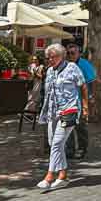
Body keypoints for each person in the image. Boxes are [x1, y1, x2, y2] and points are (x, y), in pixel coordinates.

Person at [37, 43, 87, 190]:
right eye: (48, 58)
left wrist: (85, 107)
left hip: (69, 111)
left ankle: (49, 176)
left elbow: (83, 86)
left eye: (52, 57)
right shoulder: (50, 71)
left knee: (57, 143)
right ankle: (63, 175)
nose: (50, 60)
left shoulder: (72, 68)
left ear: (61, 56)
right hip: (52, 113)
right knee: (54, 144)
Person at [65, 43, 95, 160]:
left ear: (78, 53)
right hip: (68, 100)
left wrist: (89, 99)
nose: (70, 55)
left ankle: (82, 148)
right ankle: (70, 149)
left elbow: (90, 82)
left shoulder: (84, 64)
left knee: (80, 125)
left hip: (81, 99)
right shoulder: (66, 64)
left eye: (73, 53)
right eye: (68, 53)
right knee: (68, 125)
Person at [24, 54, 44, 119]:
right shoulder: (32, 66)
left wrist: (35, 73)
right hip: (32, 84)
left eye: (35, 59)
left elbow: (42, 77)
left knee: (34, 99)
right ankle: (30, 114)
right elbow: (30, 75)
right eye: (33, 59)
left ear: (39, 60)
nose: (34, 61)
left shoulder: (41, 67)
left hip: (37, 84)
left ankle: (28, 113)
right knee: (30, 98)